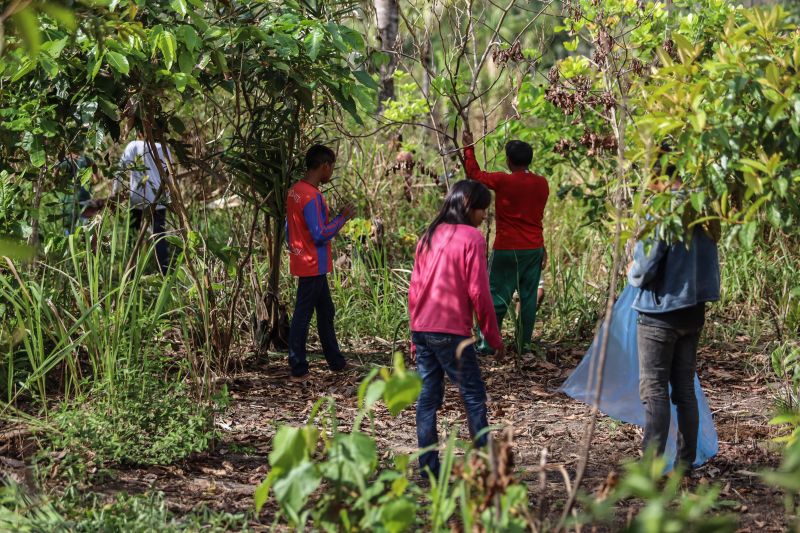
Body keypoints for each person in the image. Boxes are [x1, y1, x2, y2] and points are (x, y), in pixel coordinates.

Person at [408, 180, 505, 478]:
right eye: (482, 210)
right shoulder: (472, 238)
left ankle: (429, 469)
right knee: (473, 395)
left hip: (423, 328)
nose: (484, 216)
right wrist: (493, 337)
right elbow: (479, 292)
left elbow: (414, 288)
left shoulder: (428, 235)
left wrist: (414, 337)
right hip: (450, 331)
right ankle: (485, 468)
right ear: (468, 207)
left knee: (427, 400)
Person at [628, 181, 720, 469]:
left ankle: (650, 468)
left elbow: (645, 266)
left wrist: (631, 272)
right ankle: (685, 462)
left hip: (660, 311)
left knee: (654, 389)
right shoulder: (704, 204)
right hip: (693, 310)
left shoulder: (664, 207)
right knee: (683, 389)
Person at [462, 131, 549, 353]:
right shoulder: (542, 184)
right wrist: (543, 248)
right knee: (528, 300)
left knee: (497, 298)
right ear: (529, 160)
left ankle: (487, 344)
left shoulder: (503, 180)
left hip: (507, 249)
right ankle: (524, 345)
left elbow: (473, 173)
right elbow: (535, 217)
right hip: (534, 248)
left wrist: (468, 147)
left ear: (509, 161)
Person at [286, 144, 356, 381]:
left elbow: (289, 227)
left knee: (326, 311)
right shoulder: (312, 196)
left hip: (304, 261)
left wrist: (294, 247)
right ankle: (298, 367)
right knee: (303, 315)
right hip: (313, 264)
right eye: (332, 167)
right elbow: (320, 234)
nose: (331, 172)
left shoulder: (295, 190)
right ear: (325, 166)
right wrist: (342, 218)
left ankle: (335, 362)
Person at [114, 130, 173, 273]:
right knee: (159, 235)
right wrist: (170, 195)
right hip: (157, 199)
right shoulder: (162, 147)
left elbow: (120, 171)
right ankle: (164, 272)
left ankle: (129, 272)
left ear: (138, 130)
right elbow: (170, 173)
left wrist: (115, 193)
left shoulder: (133, 146)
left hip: (137, 197)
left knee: (133, 235)